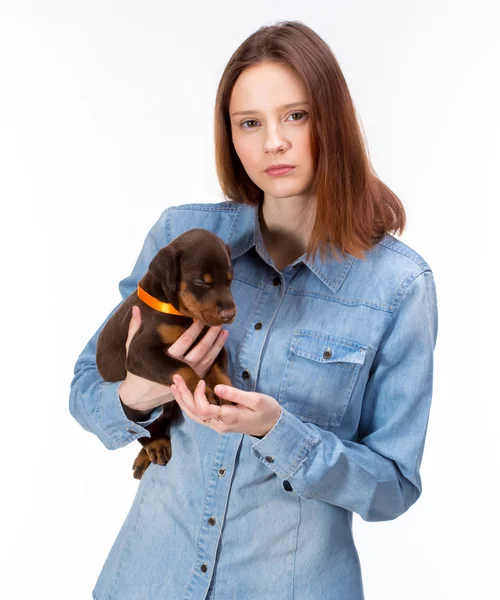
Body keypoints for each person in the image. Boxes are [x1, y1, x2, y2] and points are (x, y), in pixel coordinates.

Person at [70, 20, 438, 600]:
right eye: (250, 123)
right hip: (146, 581)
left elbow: (391, 486)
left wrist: (278, 431)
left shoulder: (398, 286)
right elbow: (85, 389)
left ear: (333, 121)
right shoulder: (182, 239)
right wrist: (136, 398)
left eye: (296, 115)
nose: (273, 142)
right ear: (231, 138)